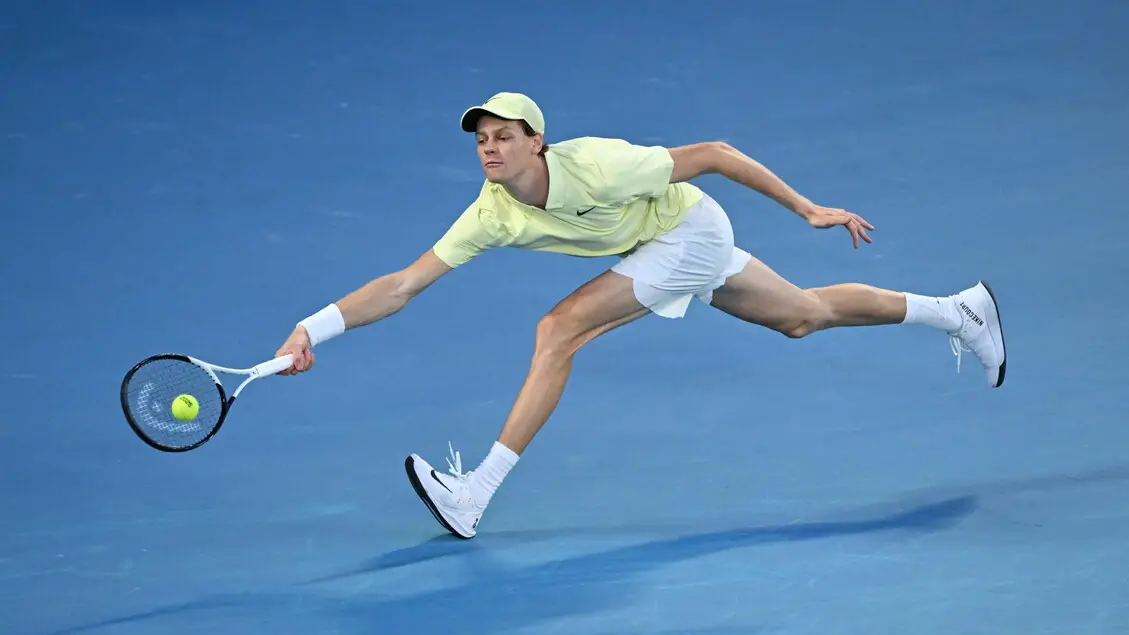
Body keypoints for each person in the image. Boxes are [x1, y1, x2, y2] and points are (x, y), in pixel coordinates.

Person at [274, 92, 1007, 540]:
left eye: (504, 136)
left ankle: (475, 494)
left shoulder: (599, 166)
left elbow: (715, 153)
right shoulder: (491, 212)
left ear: (537, 141)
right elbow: (402, 285)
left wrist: (806, 208)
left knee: (558, 329)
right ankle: (957, 312)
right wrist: (314, 327)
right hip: (663, 243)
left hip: (688, 231)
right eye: (481, 139)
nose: (489, 148)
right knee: (803, 316)